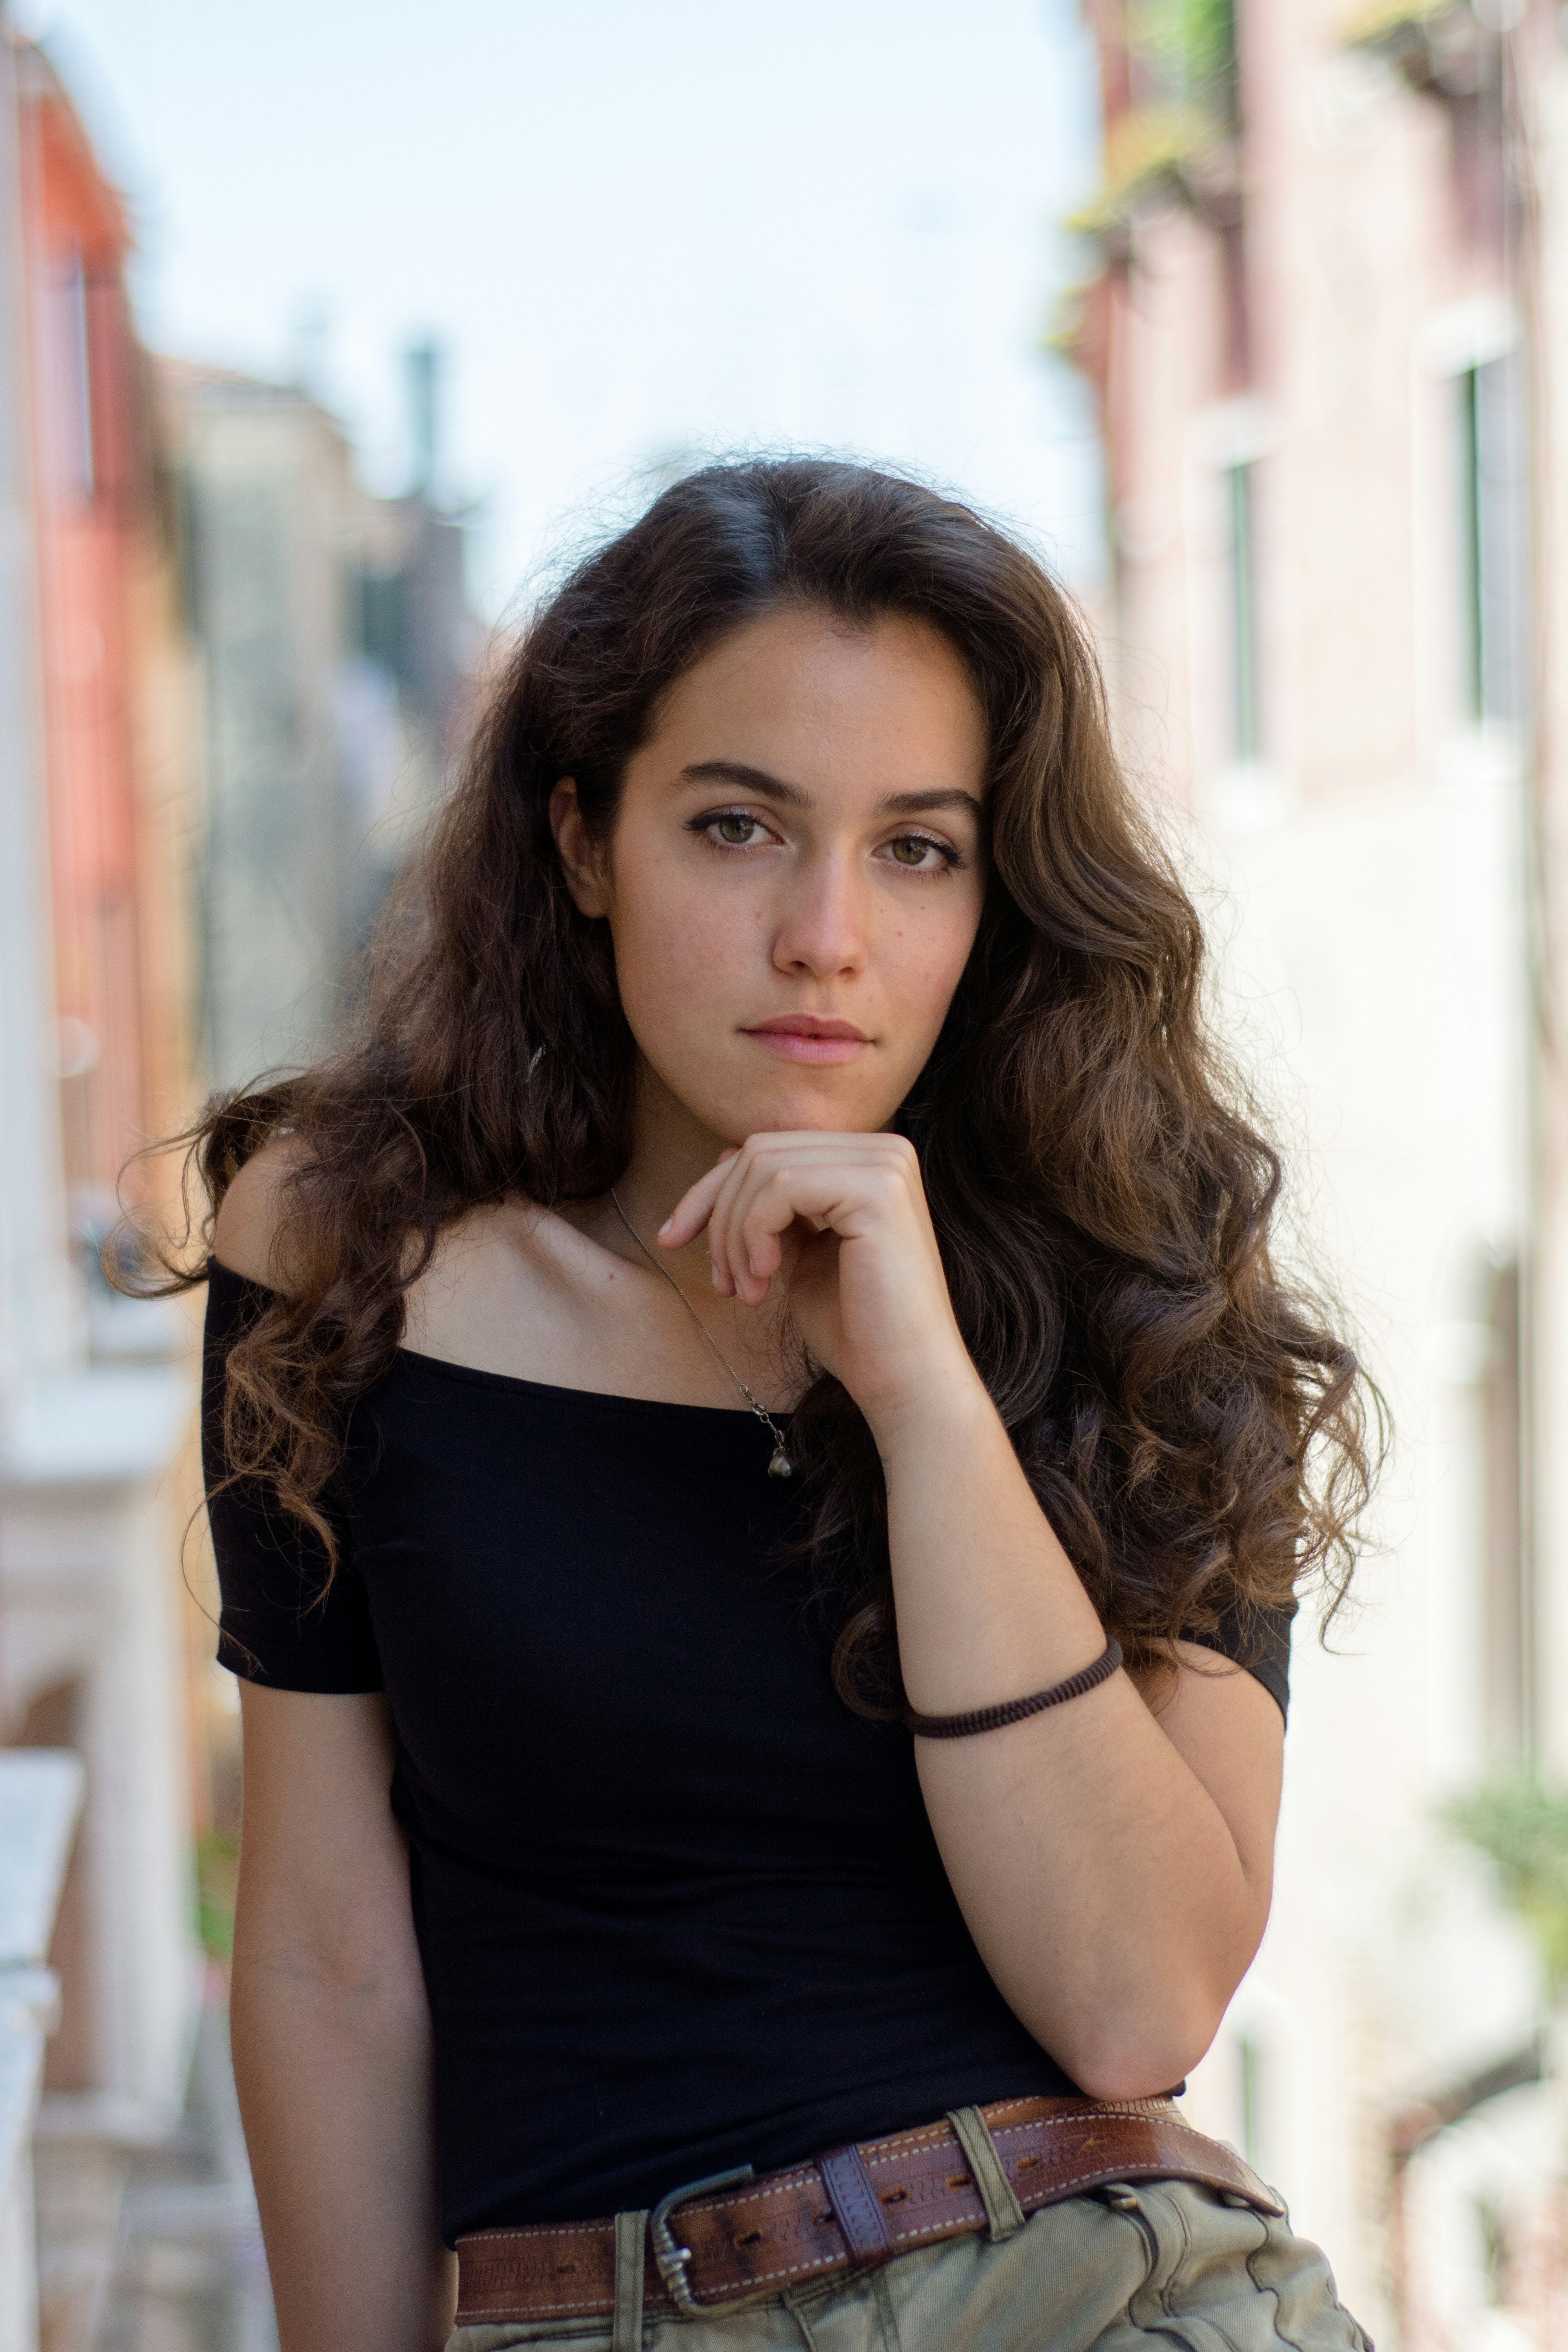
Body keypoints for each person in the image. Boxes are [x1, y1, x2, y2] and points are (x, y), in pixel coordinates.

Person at [186, 459, 1376, 2352]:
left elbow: (1134, 2003)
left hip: (1106, 2292)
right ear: (583, 841)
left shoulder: (1139, 1308)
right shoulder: (355, 1250)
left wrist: (921, 1400)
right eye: (739, 828)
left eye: (917, 848)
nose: (828, 931)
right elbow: (327, 1952)